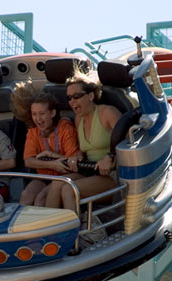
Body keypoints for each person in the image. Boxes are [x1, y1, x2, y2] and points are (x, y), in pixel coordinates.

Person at [44, 70, 122, 211]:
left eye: (76, 96)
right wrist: (77, 157)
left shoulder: (107, 113)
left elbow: (128, 142)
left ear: (91, 96)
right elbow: (83, 150)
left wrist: (110, 157)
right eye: (69, 98)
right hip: (89, 170)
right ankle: (49, 231)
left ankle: (73, 232)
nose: (72, 102)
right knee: (57, 184)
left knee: (69, 190)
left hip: (112, 175)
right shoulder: (79, 119)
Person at [17, 89, 82, 206]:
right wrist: (52, 165)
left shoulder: (65, 128)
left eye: (42, 114)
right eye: (34, 114)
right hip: (44, 177)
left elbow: (72, 161)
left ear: (52, 113)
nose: (38, 119)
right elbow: (28, 161)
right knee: (26, 194)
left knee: (40, 200)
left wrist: (52, 156)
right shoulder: (33, 131)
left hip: (64, 177)